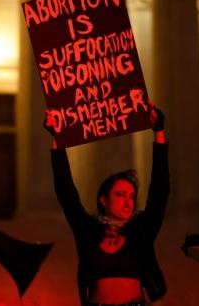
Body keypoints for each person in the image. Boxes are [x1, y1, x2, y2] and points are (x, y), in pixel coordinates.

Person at [46, 102, 168, 306]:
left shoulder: (142, 230)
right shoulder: (88, 230)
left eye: (131, 196)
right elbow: (65, 192)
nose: (128, 201)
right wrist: (57, 137)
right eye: (121, 194)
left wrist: (159, 132)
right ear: (104, 200)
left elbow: (160, 191)